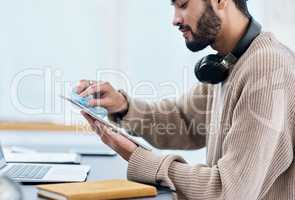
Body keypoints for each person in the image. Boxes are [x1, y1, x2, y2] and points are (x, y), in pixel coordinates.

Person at [76, 0, 295, 199]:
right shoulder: (228, 63)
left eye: (182, 4)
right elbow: (183, 121)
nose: (175, 19)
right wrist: (123, 107)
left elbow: (228, 191)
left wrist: (138, 157)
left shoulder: (266, 68)